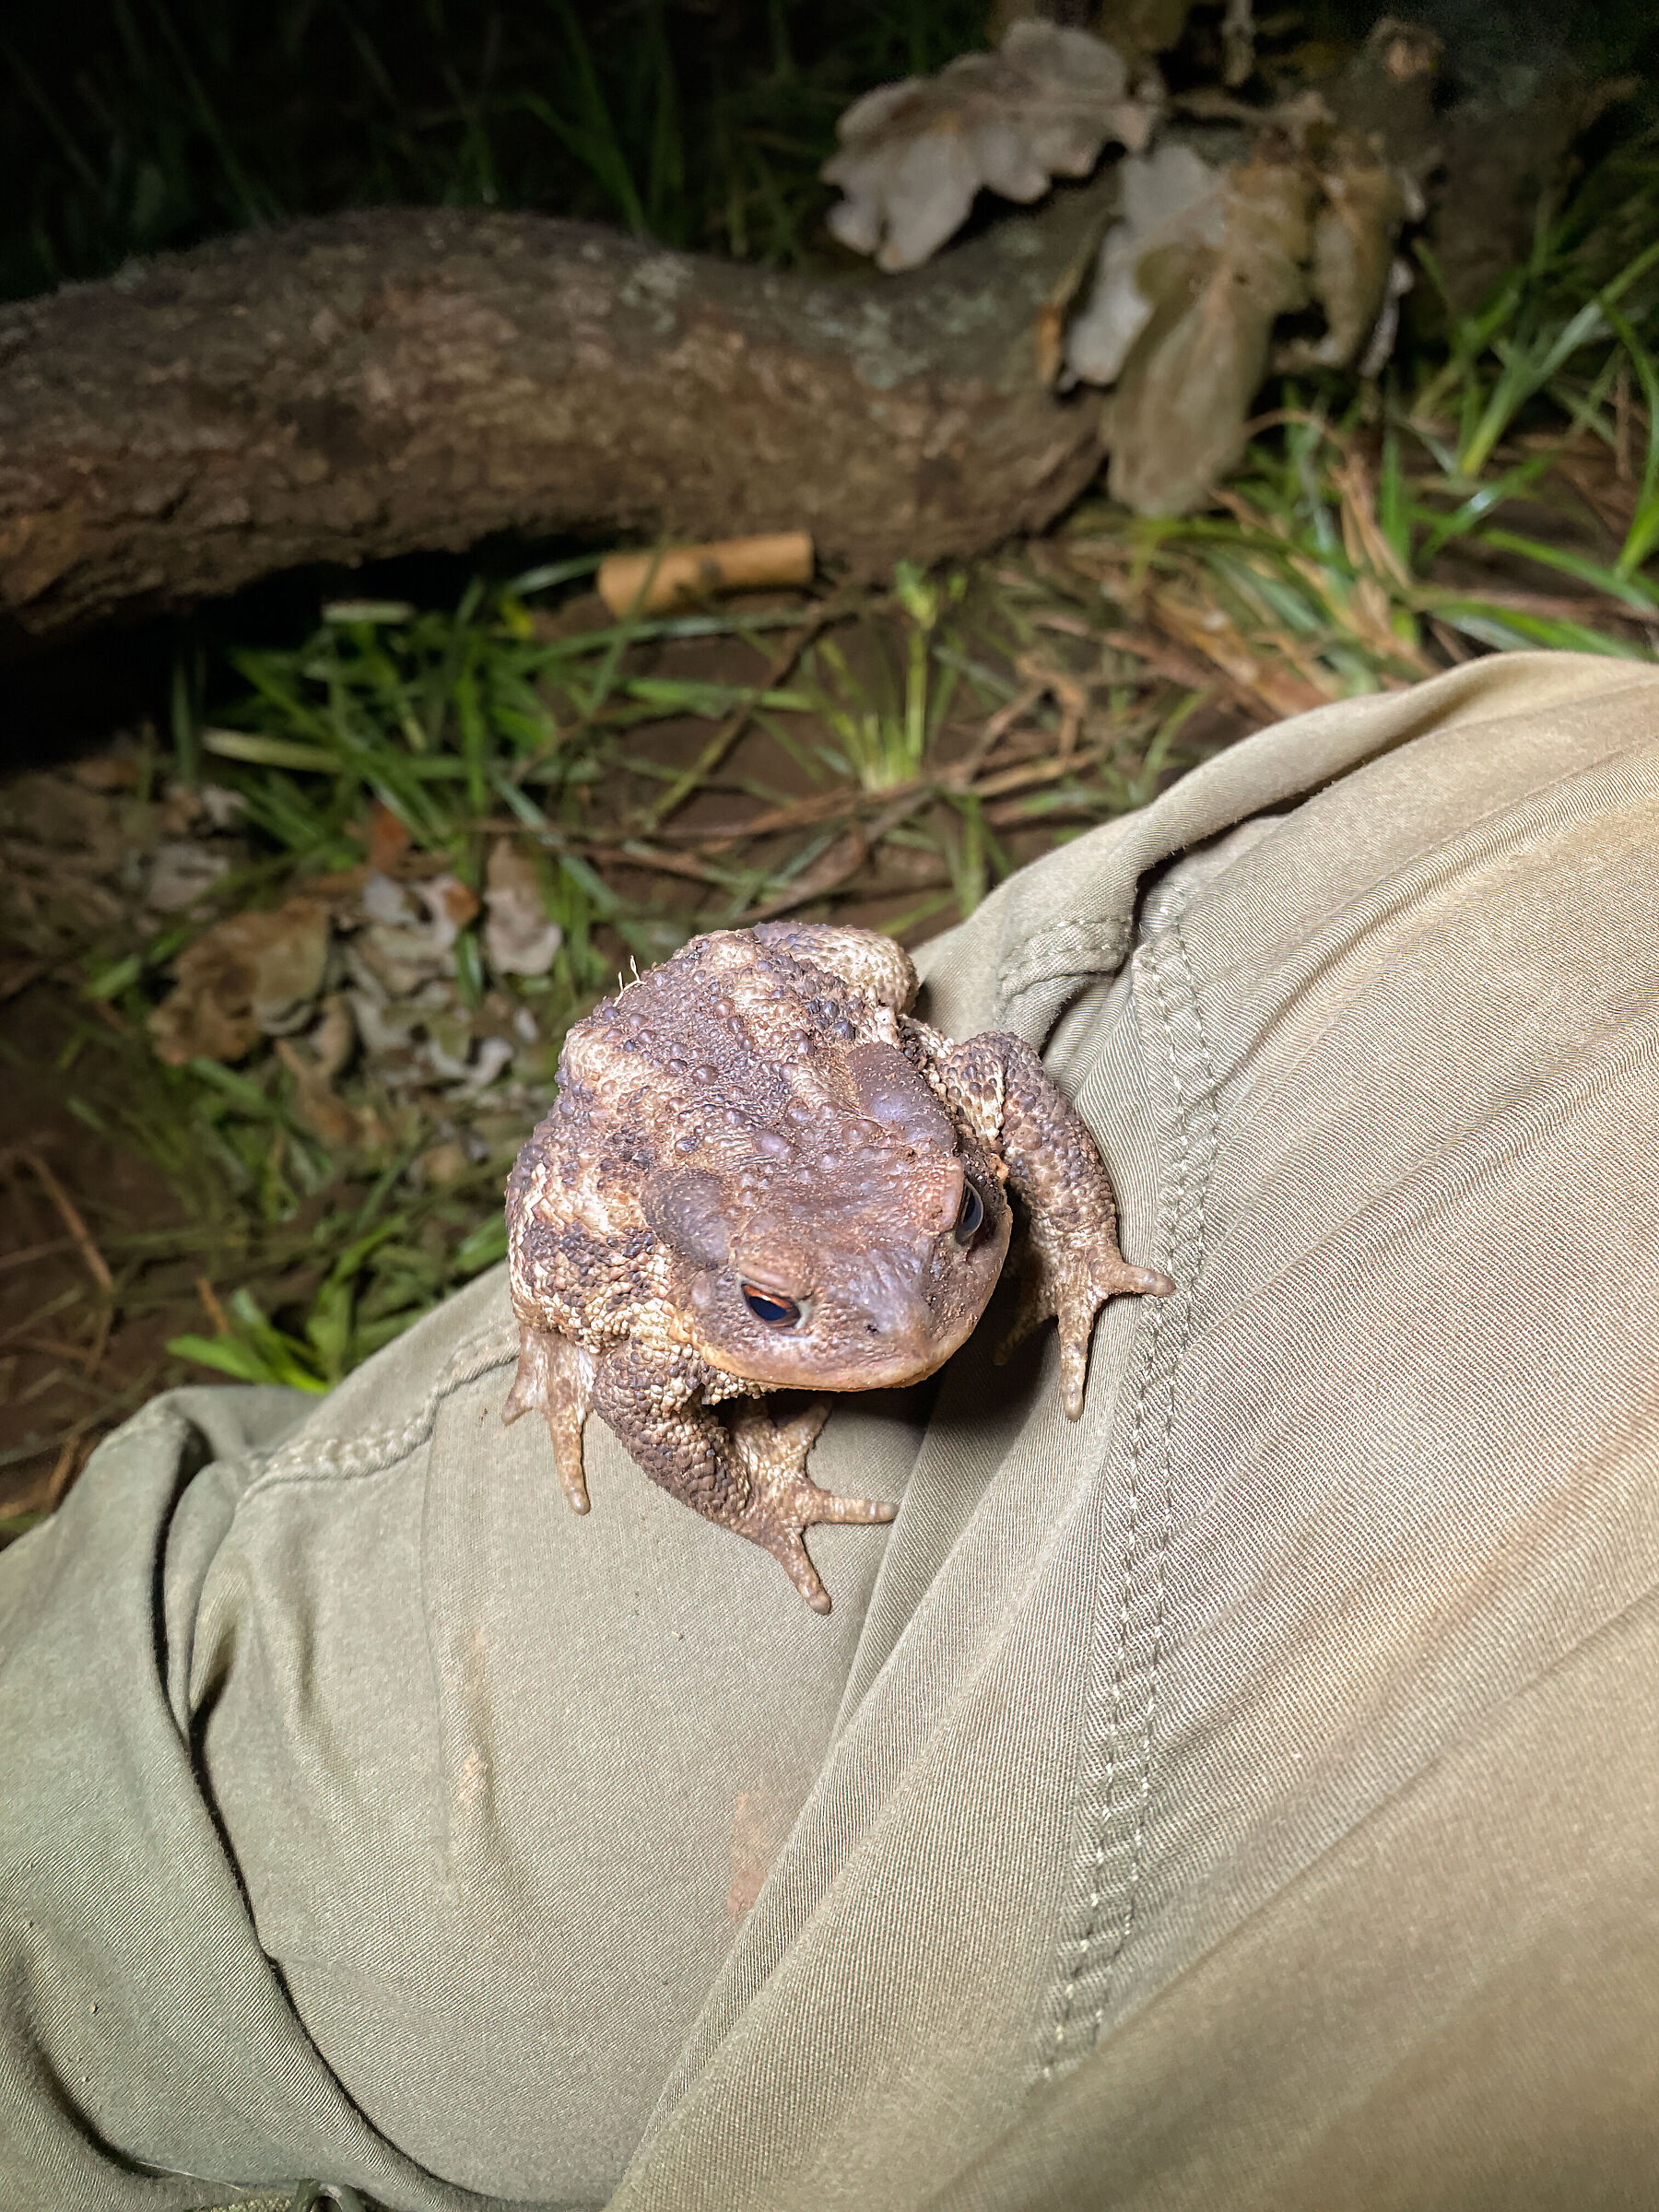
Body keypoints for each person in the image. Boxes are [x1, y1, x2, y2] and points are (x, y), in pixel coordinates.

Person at [4, 650, 1657, 2212]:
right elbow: (655, 1394)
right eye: (795, 1316)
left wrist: (1073, 1246)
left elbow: (994, 1070)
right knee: (563, 1298)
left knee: (882, 999)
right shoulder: (672, 1301)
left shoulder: (948, 1134)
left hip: (803, 1060)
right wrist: (758, 1491)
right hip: (676, 1141)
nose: (914, 1322)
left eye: (966, 1231)